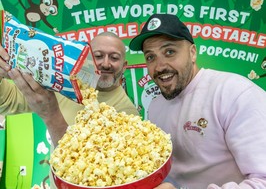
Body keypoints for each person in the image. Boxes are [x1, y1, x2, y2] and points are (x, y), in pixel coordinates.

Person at [129, 13, 266, 189]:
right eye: (150, 57)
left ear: (192, 53)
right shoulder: (155, 106)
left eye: (169, 52)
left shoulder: (234, 93)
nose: (160, 66)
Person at [0, 31, 139, 188]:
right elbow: (7, 101)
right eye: (98, 56)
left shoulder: (127, 113)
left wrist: (51, 115)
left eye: (114, 58)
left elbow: (95, 177)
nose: (105, 64)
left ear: (124, 66)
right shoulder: (65, 85)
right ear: (86, 58)